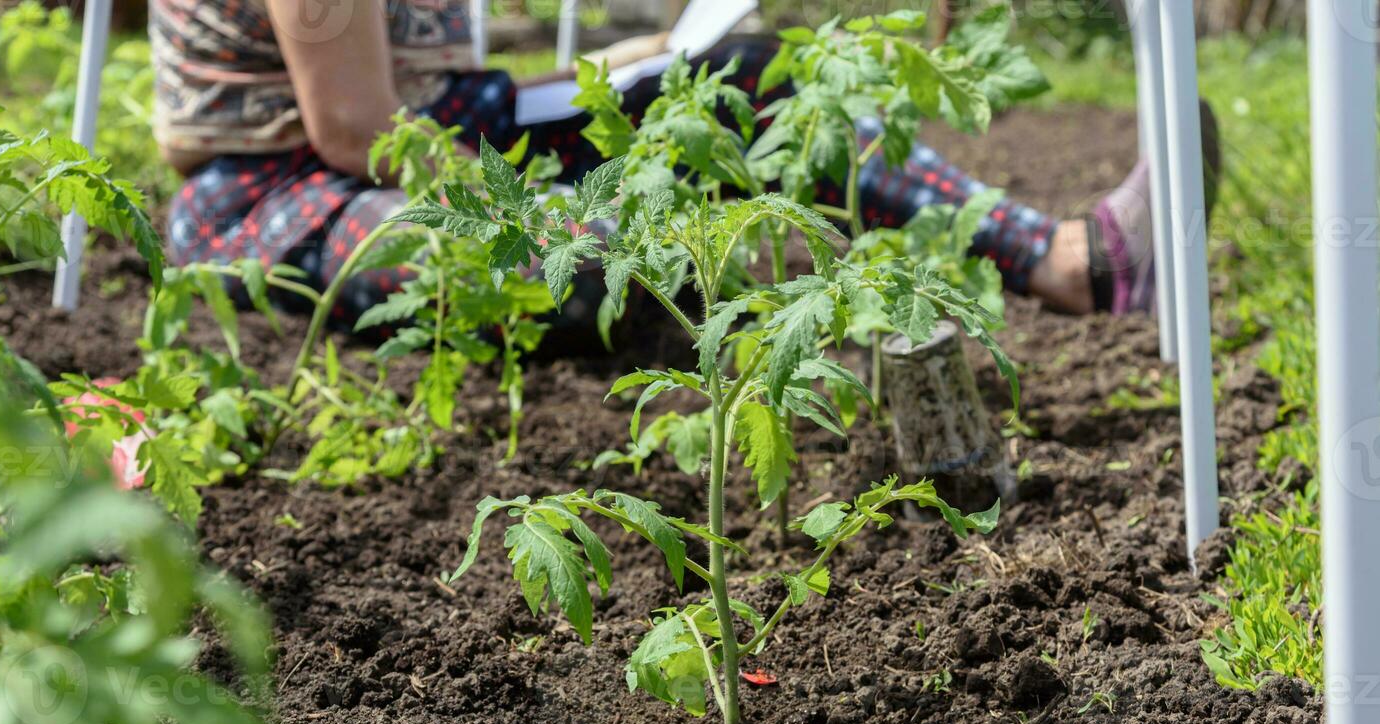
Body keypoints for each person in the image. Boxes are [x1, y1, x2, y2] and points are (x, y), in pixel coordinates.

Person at [151, 0, 1197, 332]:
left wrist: (627, 70)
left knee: (746, 81)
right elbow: (358, 134)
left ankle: (1069, 258)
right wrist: (544, 207)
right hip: (279, 198)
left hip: (428, 136)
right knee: (607, 265)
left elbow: (432, 88)